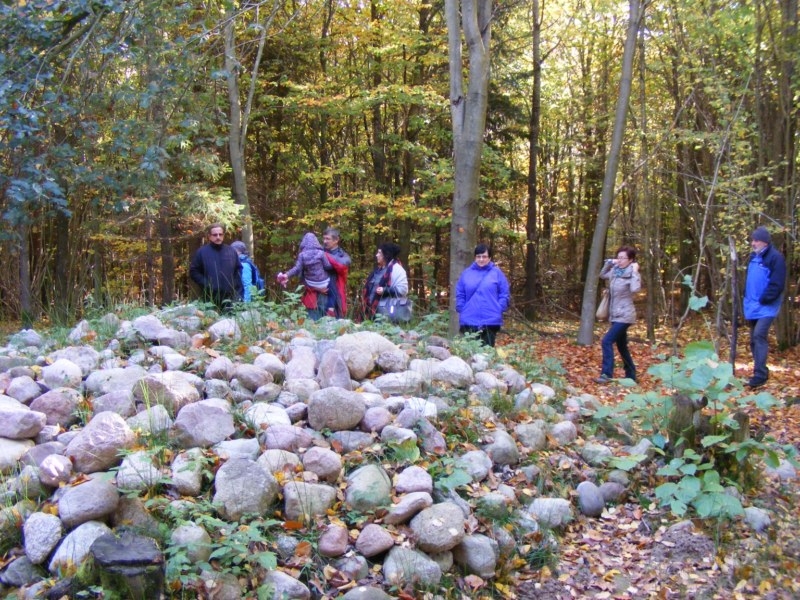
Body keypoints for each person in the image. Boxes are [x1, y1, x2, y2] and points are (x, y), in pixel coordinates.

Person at [743, 226, 785, 389]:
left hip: (767, 307)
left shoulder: (775, 258)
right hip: (752, 306)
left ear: (765, 242)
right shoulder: (753, 257)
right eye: (752, 240)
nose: (753, 243)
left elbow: (777, 283)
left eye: (756, 240)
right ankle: (760, 373)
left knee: (759, 336)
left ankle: (760, 375)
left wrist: (765, 299)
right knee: (753, 340)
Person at [595, 245, 641, 384]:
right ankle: (631, 375)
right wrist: (609, 263)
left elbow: (635, 289)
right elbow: (602, 275)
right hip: (614, 314)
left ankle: (606, 374)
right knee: (621, 346)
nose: (620, 260)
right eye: (618, 257)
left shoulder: (631, 273)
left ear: (630, 260)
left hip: (625, 315)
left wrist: (635, 271)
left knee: (606, 341)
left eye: (623, 258)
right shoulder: (615, 271)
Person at [455, 243, 511, 347]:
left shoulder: (497, 273)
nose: (481, 259)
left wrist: (499, 308)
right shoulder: (466, 274)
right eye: (478, 256)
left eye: (484, 256)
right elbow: (460, 293)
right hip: (469, 319)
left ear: (489, 258)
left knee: (487, 352)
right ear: (475, 257)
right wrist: (462, 308)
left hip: (490, 321)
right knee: (471, 352)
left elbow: (504, 293)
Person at [276, 232, 333, 319]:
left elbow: (297, 269)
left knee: (312, 311)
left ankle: (313, 322)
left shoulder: (302, 255)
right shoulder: (321, 253)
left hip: (311, 284)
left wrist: (286, 275)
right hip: (324, 283)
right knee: (323, 307)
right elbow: (328, 266)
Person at [189, 223, 242, 312]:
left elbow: (238, 270)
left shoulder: (231, 251)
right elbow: (194, 271)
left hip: (229, 298)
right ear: (209, 236)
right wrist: (207, 284)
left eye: (220, 234)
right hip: (209, 299)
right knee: (210, 320)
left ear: (223, 235)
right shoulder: (202, 252)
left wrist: (235, 287)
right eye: (215, 235)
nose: (218, 237)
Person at [360, 242, 408, 320]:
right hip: (371, 312)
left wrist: (385, 290)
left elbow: (403, 290)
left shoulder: (397, 270)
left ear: (386, 255)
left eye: (379, 253)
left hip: (387, 313)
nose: (376, 255)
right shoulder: (378, 270)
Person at [322, 227, 351, 317]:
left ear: (336, 240)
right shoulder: (319, 252)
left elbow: (344, 263)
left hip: (336, 294)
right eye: (324, 238)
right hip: (318, 294)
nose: (325, 241)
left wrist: (327, 257)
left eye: (328, 239)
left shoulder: (343, 256)